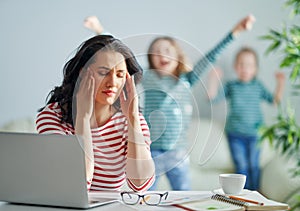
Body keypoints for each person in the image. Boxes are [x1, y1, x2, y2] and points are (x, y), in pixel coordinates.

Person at [83, 15, 255, 190]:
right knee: (144, 195)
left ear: (177, 56)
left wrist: (236, 31)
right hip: (152, 152)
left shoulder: (187, 79)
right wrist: (99, 29)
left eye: (167, 50)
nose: (161, 54)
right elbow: (121, 54)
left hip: (178, 153)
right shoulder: (147, 77)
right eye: (156, 51)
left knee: (183, 194)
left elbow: (211, 56)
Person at [36, 35, 155, 192]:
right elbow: (76, 184)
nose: (112, 82)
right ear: (82, 74)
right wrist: (83, 120)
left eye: (120, 75)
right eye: (103, 72)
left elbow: (140, 184)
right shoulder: (52, 116)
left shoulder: (131, 120)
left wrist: (133, 120)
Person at [207, 47, 285, 190]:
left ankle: (254, 195)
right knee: (241, 166)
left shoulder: (258, 86)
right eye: (241, 64)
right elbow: (212, 99)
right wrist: (213, 79)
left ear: (255, 69)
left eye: (249, 65)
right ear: (235, 67)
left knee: (254, 166)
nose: (244, 68)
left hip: (255, 135)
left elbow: (274, 101)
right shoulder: (232, 86)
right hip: (235, 135)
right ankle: (243, 196)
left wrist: (280, 83)